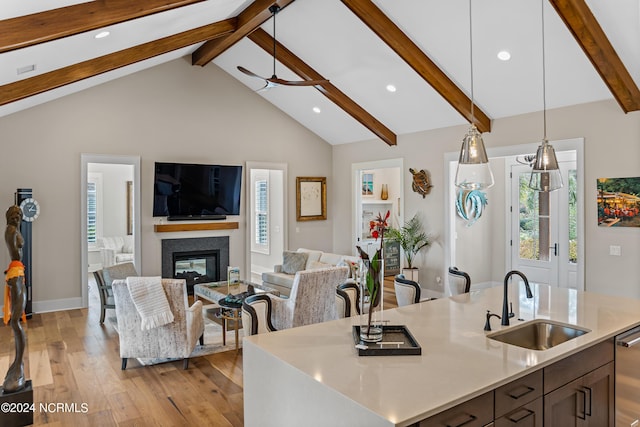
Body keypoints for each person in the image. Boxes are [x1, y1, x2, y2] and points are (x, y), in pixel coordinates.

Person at [3, 205, 27, 393]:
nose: (17, 216)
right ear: (8, 217)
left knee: (16, 321)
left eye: (19, 214)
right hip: (16, 275)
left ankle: (17, 364)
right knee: (16, 322)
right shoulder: (11, 231)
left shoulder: (13, 230)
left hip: (17, 272)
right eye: (14, 214)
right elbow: (17, 252)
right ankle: (18, 364)